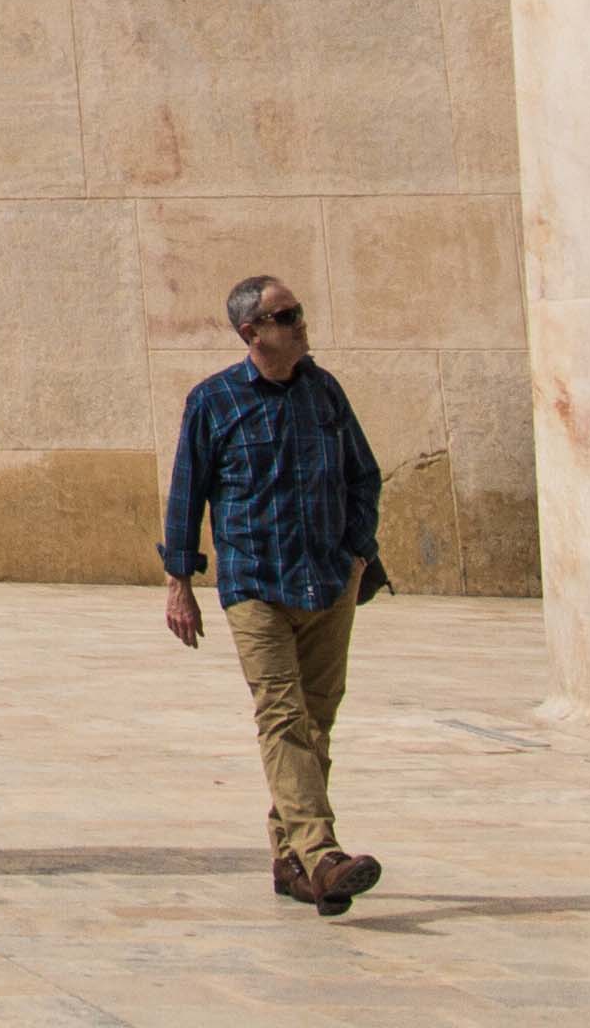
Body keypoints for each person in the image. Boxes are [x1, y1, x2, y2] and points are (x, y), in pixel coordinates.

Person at [158, 272, 391, 917]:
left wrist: (357, 552)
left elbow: (363, 476)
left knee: (316, 722)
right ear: (251, 333)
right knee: (282, 716)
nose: (300, 323)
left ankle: (290, 860)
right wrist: (180, 583)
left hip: (327, 580)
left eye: (299, 312)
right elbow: (187, 495)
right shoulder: (215, 401)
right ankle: (323, 854)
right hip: (255, 583)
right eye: (286, 316)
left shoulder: (324, 392)